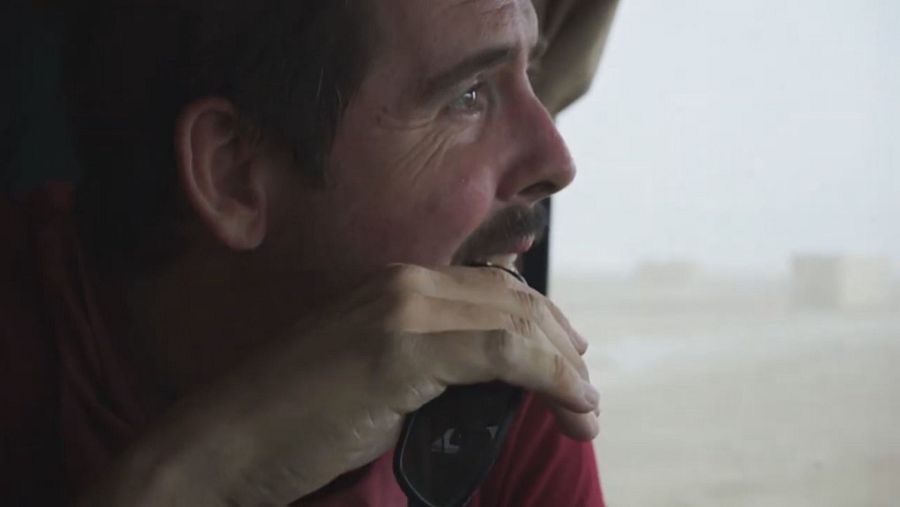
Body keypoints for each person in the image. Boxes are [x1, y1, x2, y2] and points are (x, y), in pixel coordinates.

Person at [0, 0, 618, 504]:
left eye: (529, 73)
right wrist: (209, 472)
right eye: (469, 96)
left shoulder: (497, 364)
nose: (556, 162)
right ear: (236, 173)